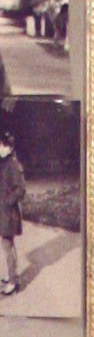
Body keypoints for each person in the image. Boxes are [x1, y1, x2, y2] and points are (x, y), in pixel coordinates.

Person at [0, 127, 26, 296]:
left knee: (7, 245)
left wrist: (7, 202)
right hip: (4, 213)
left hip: (8, 213)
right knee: (7, 245)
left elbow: (21, 189)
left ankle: (13, 282)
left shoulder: (12, 164)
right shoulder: (4, 162)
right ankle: (12, 276)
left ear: (8, 147)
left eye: (1, 146)